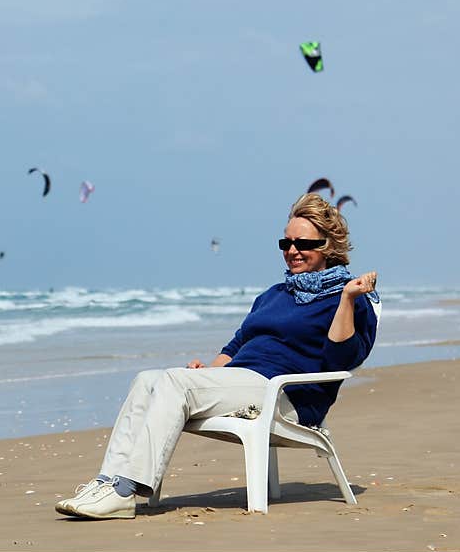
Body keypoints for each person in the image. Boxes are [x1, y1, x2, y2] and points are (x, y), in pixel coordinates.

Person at [56, 192, 380, 520]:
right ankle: (107, 482)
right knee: (147, 379)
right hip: (241, 382)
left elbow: (342, 360)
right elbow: (236, 347)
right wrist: (204, 374)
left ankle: (125, 491)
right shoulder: (274, 295)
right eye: (286, 243)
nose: (293, 251)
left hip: (285, 395)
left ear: (328, 246)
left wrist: (347, 299)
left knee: (174, 383)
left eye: (303, 244)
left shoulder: (349, 297)